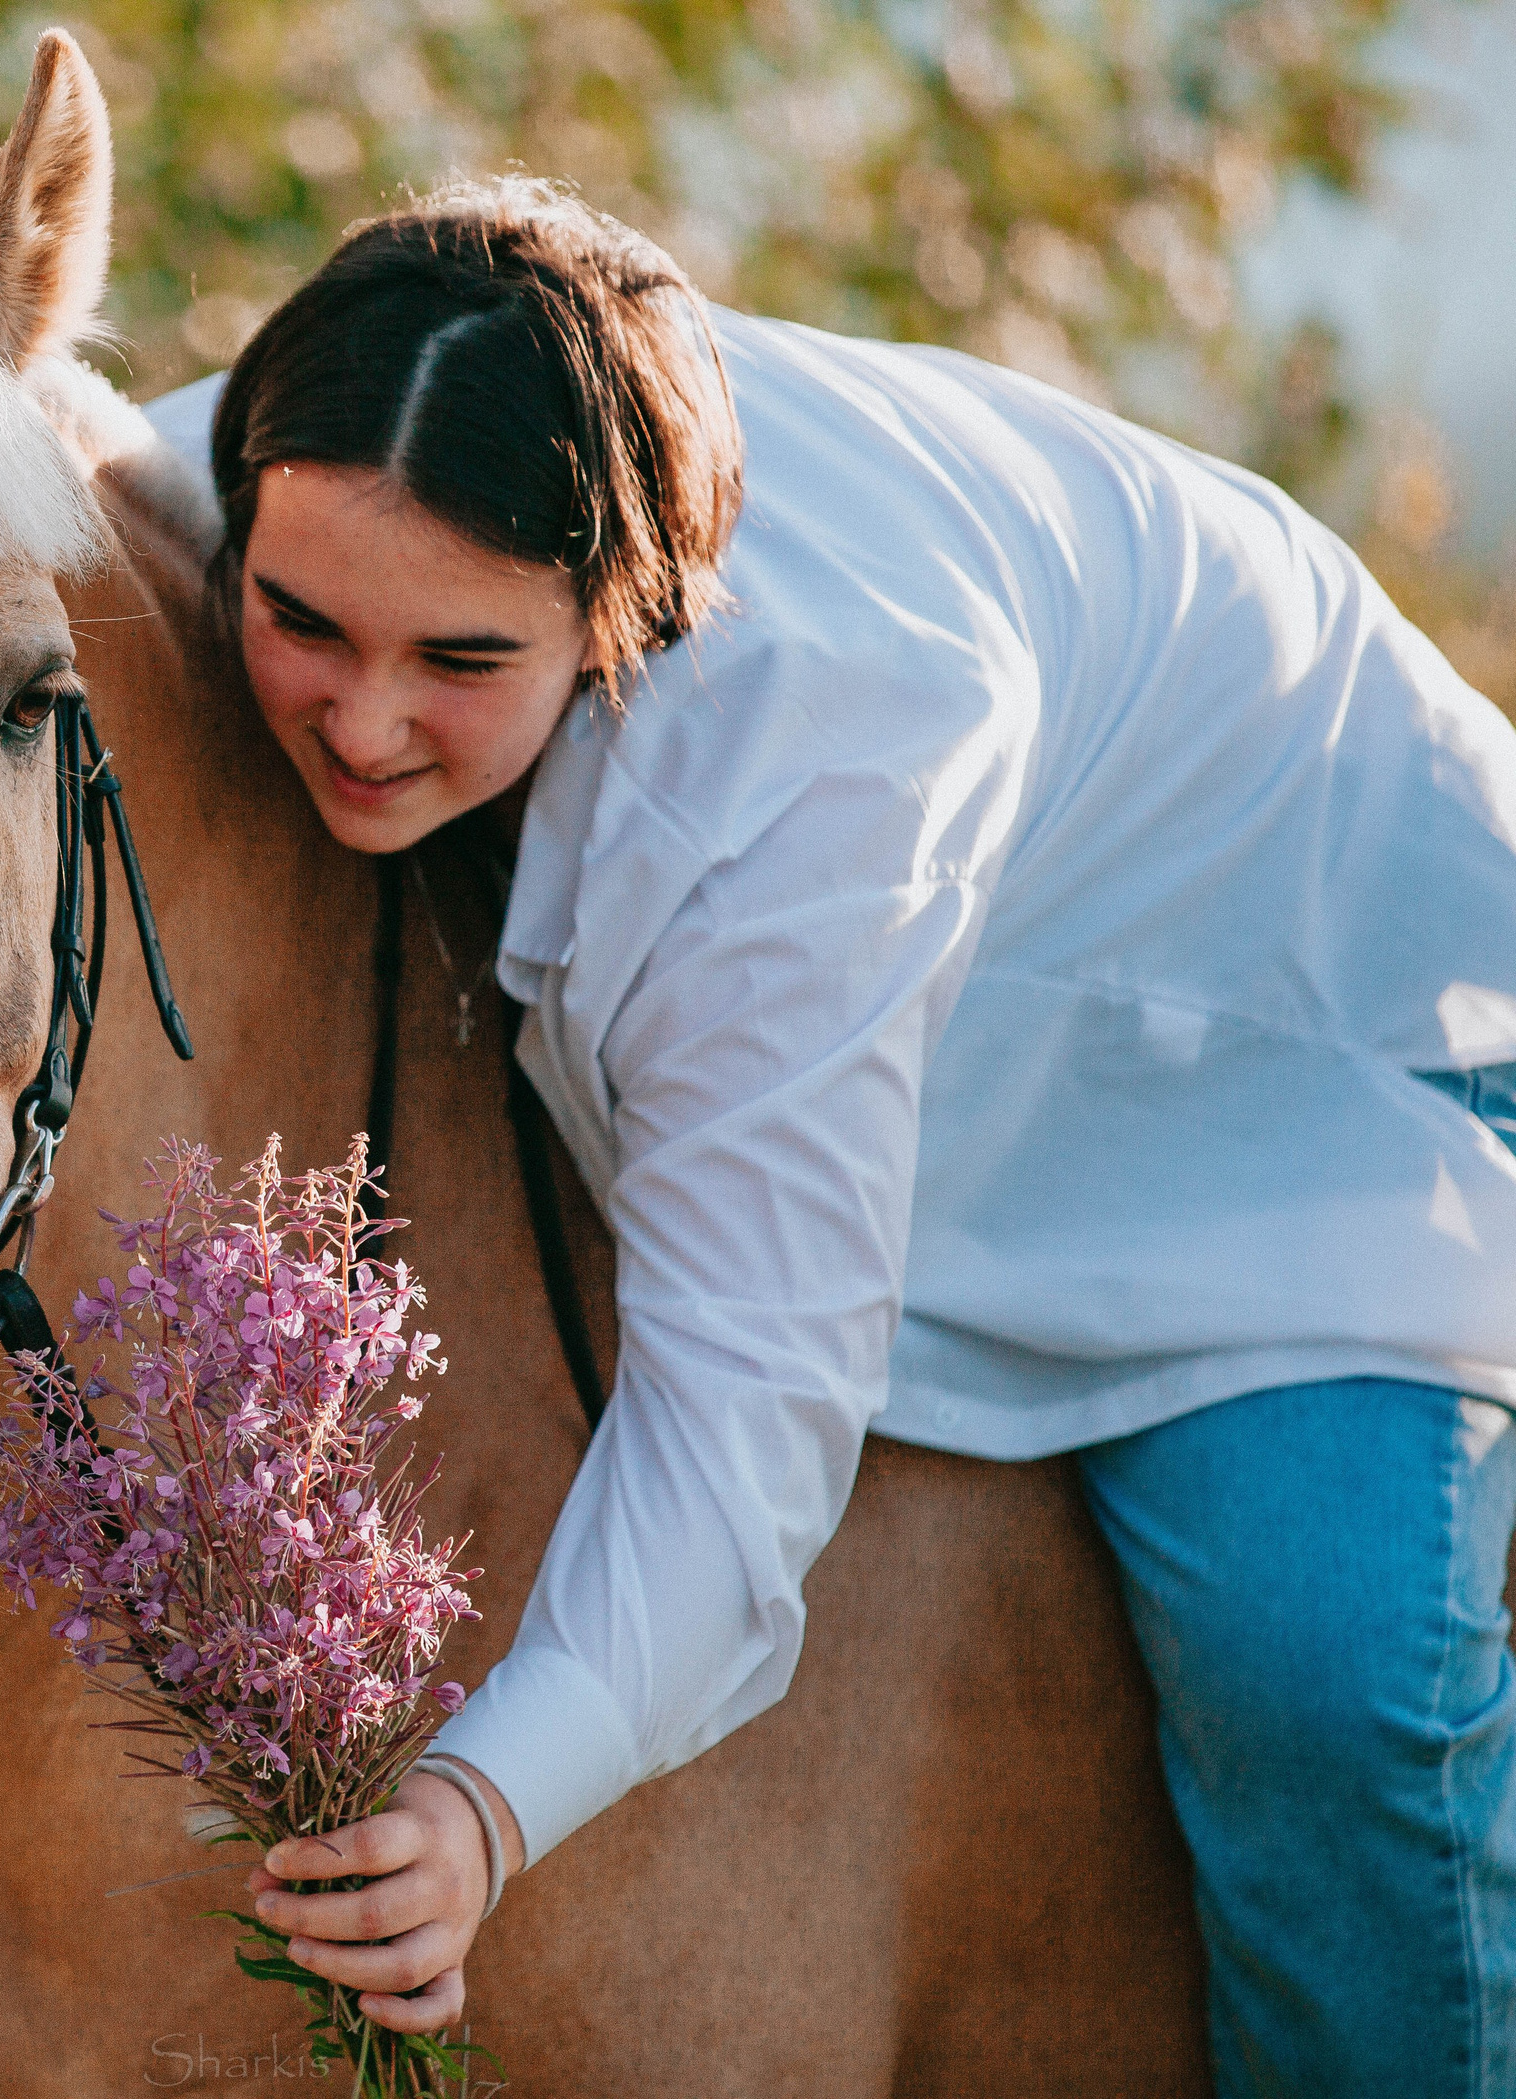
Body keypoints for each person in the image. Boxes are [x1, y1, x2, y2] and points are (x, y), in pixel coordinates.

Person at [136, 177, 1516, 2096]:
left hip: (1320, 1031)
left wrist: (481, 1806)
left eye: (462, 664)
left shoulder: (798, 785)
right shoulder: (326, 442)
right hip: (999, 940)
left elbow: (747, 1411)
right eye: (301, 625)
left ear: (621, 617)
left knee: (1324, 1687)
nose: (359, 721)